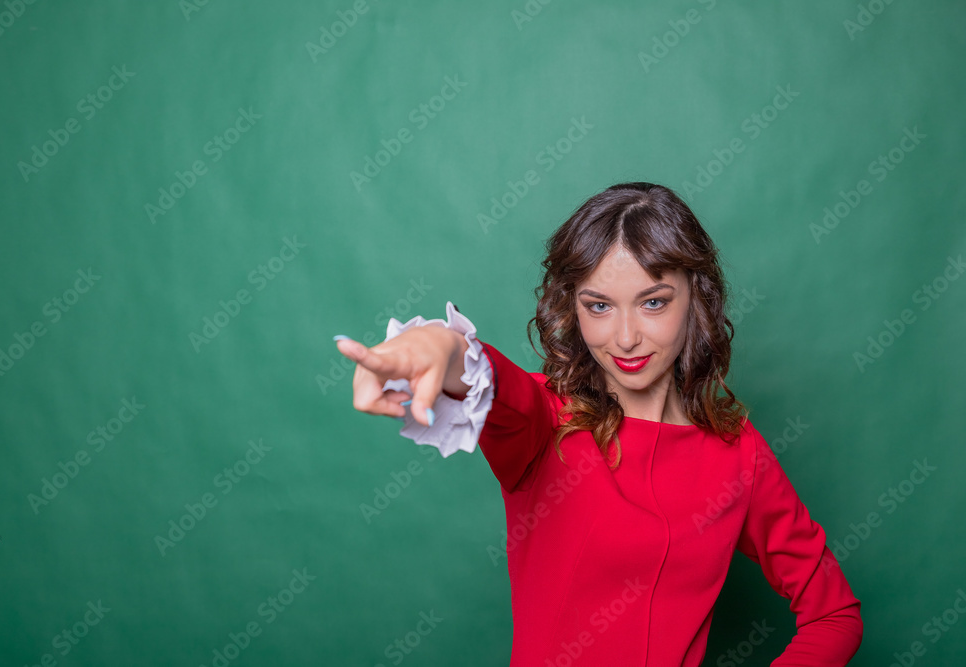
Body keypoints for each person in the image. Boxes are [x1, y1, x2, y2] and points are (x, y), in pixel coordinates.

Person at [334, 182, 863, 666]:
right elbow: (485, 378)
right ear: (574, 308)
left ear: (696, 298)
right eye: (600, 306)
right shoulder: (546, 424)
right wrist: (439, 344)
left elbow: (834, 615)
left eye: (653, 302)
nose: (627, 337)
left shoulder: (738, 453)